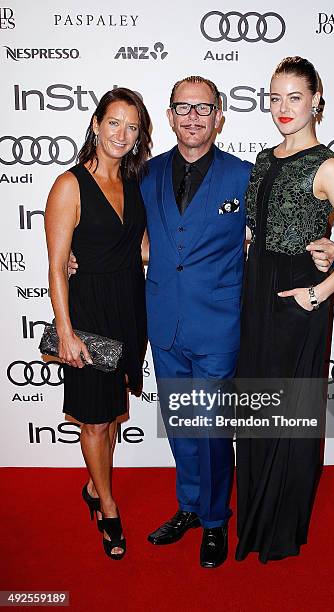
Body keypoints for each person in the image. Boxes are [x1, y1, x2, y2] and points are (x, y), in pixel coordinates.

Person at [68, 76, 334, 568]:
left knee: (212, 429)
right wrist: (76, 257)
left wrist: (325, 247)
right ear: (170, 117)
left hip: (219, 326)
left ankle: (215, 519)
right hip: (163, 324)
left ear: (219, 117)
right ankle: (189, 506)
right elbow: (121, 235)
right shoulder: (143, 175)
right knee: (181, 425)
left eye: (203, 109)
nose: (192, 118)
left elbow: (283, 228)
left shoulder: (245, 175)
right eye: (182, 109)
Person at [235, 57, 334, 563]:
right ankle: (253, 516)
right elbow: (251, 235)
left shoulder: (328, 166)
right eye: (274, 97)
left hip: (298, 297)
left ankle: (280, 528)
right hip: (257, 293)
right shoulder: (261, 158)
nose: (283, 108)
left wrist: (318, 293)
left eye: (294, 97)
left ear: (317, 98)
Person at [45, 88, 151, 560]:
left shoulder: (134, 182)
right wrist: (64, 331)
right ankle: (107, 506)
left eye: (131, 127)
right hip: (88, 312)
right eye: (114, 123)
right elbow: (55, 264)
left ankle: (93, 484)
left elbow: (142, 249)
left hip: (128, 305)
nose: (122, 134)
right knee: (93, 417)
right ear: (95, 124)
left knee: (111, 413)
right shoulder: (69, 185)